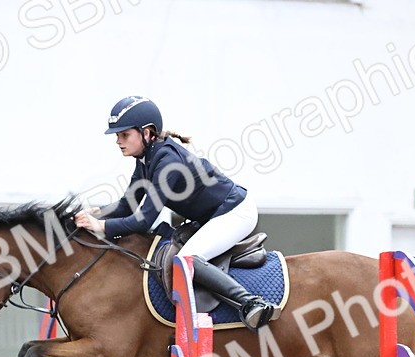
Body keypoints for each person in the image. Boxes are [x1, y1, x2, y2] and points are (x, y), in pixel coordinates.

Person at [73, 96, 278, 331]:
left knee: (186, 259)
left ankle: (251, 303)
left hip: (235, 212)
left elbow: (143, 221)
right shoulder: (145, 161)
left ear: (147, 132)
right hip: (214, 215)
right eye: (118, 136)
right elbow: (126, 207)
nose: (118, 141)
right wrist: (95, 216)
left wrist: (101, 226)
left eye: (124, 135)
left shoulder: (166, 161)